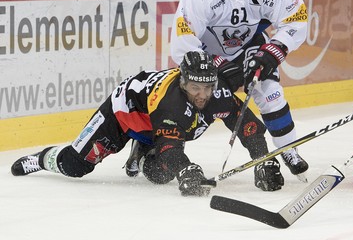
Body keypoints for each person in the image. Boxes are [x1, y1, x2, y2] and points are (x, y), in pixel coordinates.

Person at [11, 51, 285, 195]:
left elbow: (247, 126)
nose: (202, 95)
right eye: (194, 88)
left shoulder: (218, 94)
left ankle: (142, 154)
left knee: (160, 174)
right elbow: (170, 148)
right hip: (124, 115)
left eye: (207, 88)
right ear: (182, 82)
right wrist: (187, 169)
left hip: (162, 124)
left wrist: (263, 160)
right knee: (76, 165)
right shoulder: (172, 102)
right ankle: (41, 158)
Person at [170, 0, 310, 180]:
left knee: (271, 92)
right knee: (193, 104)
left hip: (250, 48)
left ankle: (290, 150)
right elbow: (183, 44)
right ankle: (156, 148)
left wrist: (273, 50)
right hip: (208, 55)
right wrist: (217, 64)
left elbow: (296, 19)